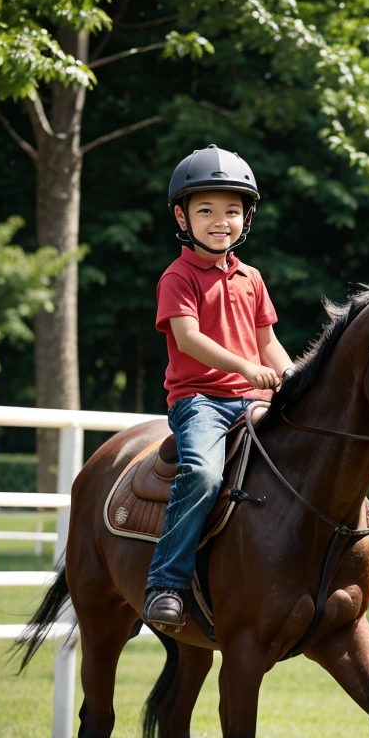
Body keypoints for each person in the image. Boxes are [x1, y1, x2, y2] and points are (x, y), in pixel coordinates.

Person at [144, 144, 294, 632]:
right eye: (205, 209)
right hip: (201, 402)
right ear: (182, 218)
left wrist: (293, 379)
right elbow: (189, 338)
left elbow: (267, 342)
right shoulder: (178, 275)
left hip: (255, 401)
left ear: (246, 218)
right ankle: (166, 581)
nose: (220, 220)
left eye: (231, 210)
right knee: (205, 475)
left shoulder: (252, 278)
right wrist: (247, 370)